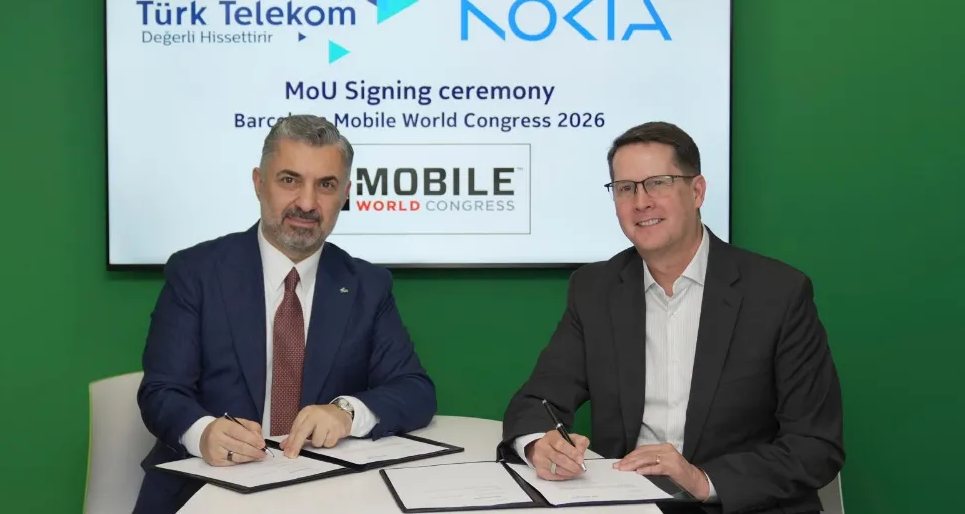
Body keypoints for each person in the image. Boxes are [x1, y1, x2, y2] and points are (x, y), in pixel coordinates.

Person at [497, 121, 843, 514]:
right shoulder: (595, 289)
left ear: (697, 192)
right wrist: (539, 444)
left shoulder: (778, 293)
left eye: (657, 183)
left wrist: (701, 480)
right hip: (631, 503)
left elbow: (816, 445)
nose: (640, 202)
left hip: (738, 504)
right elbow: (537, 399)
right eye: (625, 188)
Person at [133, 115, 437, 513]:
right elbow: (161, 391)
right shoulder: (197, 273)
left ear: (345, 194)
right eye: (290, 180)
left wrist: (346, 412)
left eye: (326, 185)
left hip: (325, 497)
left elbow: (415, 390)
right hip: (203, 491)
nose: (307, 203)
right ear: (259, 183)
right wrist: (203, 432)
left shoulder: (366, 284)